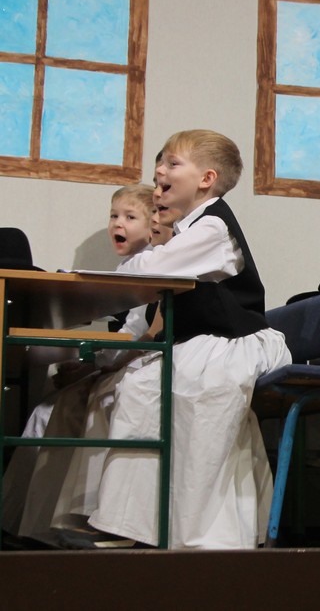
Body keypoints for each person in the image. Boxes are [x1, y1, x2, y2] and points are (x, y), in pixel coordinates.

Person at [56, 129, 292, 549]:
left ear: (206, 179)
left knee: (174, 390)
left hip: (238, 339)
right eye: (160, 163)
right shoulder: (191, 229)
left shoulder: (213, 227)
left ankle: (169, 525)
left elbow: (150, 269)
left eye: (172, 163)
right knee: (139, 384)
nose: (160, 170)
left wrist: (96, 283)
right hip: (208, 337)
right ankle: (131, 521)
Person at [2, 184, 159, 545]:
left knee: (55, 410)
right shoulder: (130, 266)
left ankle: (46, 525)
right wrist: (92, 364)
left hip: (138, 365)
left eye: (130, 217)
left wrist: (93, 366)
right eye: (114, 216)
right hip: (119, 361)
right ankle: (25, 521)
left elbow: (137, 336)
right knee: (47, 408)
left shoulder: (151, 267)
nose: (118, 223)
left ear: (153, 223)